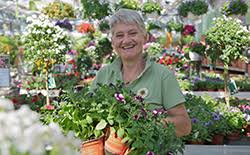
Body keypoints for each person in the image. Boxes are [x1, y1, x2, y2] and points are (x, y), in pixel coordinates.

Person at [91, 9, 191, 137]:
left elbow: (184, 125)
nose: (126, 40)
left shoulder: (163, 76)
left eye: (132, 33)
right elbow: (88, 114)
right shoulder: (104, 74)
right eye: (119, 35)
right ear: (113, 42)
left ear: (145, 37)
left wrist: (142, 124)